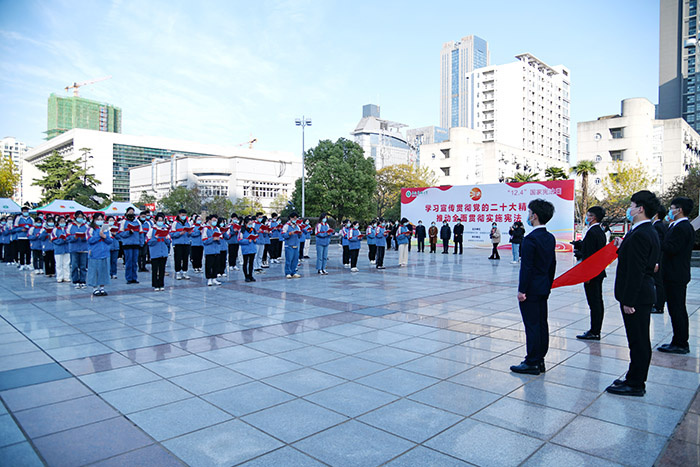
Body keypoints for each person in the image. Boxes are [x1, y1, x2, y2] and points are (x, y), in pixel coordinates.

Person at [606, 190, 661, 397]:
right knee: (636, 340)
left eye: (631, 206)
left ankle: (636, 383)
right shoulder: (643, 231)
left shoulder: (642, 233)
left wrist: (629, 300)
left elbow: (637, 270)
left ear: (640, 209)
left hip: (637, 297)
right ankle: (632, 377)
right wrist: (623, 246)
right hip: (640, 294)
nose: (629, 209)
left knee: (638, 341)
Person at [510, 199, 556, 375]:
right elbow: (552, 265)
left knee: (532, 325)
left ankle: (532, 361)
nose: (528, 216)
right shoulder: (550, 238)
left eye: (529, 213)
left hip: (531, 290)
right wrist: (548, 285)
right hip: (543, 287)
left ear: (534, 216)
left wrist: (522, 290)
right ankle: (540, 359)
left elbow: (527, 267)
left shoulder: (530, 239)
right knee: (542, 323)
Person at [658, 196, 695, 354]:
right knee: (675, 308)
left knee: (677, 308)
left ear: (679, 210)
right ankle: (677, 340)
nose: (670, 211)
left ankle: (681, 343)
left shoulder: (682, 227)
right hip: (674, 273)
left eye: (672, 208)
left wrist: (658, 240)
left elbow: (672, 248)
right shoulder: (679, 226)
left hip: (676, 274)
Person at [576, 206, 608, 341]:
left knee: (594, 302)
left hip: (593, 273)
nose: (586, 218)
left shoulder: (593, 232)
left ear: (593, 217)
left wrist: (587, 275)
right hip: (597, 272)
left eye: (588, 215)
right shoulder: (599, 231)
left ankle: (595, 331)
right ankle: (595, 329)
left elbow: (590, 256)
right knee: (597, 301)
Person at [87, 213, 112, 296]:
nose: (100, 221)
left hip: (105, 253)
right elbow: (90, 240)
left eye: (101, 219)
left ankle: (102, 287)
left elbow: (110, 241)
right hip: (94, 253)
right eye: (98, 219)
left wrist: (104, 236)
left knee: (104, 271)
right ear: (94, 220)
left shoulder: (106, 229)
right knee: (94, 271)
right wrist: (99, 236)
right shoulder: (90, 229)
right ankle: (95, 288)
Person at [146, 213, 170, 291]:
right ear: (155, 221)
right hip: (155, 253)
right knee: (155, 269)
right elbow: (148, 242)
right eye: (159, 220)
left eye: (162, 220)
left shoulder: (165, 229)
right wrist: (155, 238)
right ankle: (155, 284)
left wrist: (166, 238)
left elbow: (169, 242)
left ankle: (161, 284)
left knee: (162, 269)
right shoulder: (152, 230)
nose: (160, 222)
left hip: (163, 253)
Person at [651, 206, 668, 314]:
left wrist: (656, 261)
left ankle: (659, 306)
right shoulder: (660, 225)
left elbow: (658, 245)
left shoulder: (657, 226)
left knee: (658, 283)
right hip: (659, 259)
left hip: (658, 259)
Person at [119, 207, 141, 284]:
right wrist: (128, 232)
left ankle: (134, 277)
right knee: (128, 262)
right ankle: (129, 278)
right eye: (130, 212)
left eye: (132, 212)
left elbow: (141, 233)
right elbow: (121, 234)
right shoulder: (123, 222)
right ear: (126, 213)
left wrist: (141, 242)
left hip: (136, 244)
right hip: (127, 244)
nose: (131, 214)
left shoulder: (137, 222)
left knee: (134, 262)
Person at [68, 211, 89, 289]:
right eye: (78, 217)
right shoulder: (70, 226)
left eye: (81, 217)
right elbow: (68, 238)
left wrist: (84, 238)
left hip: (84, 249)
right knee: (74, 266)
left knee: (83, 266)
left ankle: (83, 281)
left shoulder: (86, 226)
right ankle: (75, 281)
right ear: (75, 217)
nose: (80, 218)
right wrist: (74, 238)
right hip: (74, 249)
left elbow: (89, 236)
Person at [170, 209, 192, 280]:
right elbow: (171, 234)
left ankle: (185, 272)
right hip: (178, 243)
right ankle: (178, 272)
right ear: (179, 215)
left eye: (185, 215)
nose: (184, 216)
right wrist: (179, 233)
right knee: (178, 258)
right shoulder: (175, 223)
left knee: (186, 258)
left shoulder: (188, 223)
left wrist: (189, 233)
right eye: (182, 215)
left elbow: (189, 235)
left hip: (186, 243)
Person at [202, 215, 223, 286]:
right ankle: (209, 279)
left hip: (217, 250)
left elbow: (221, 238)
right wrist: (212, 239)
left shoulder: (217, 229)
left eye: (216, 220)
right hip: (209, 250)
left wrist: (218, 239)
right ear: (209, 221)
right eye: (213, 220)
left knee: (216, 265)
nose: (215, 222)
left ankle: (214, 278)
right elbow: (204, 240)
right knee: (209, 265)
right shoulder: (205, 229)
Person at [282, 212, 302, 278]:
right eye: (294, 218)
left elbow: (299, 236)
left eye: (296, 219)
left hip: (296, 244)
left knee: (295, 260)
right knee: (289, 260)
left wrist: (300, 234)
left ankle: (294, 272)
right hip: (289, 245)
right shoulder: (286, 226)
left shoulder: (297, 226)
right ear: (290, 218)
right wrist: (290, 233)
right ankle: (288, 272)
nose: (295, 220)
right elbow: (283, 235)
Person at [51, 216, 71, 283]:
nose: (62, 223)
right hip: (58, 249)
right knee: (58, 264)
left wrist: (66, 239)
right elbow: (54, 239)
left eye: (64, 221)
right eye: (61, 221)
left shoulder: (67, 229)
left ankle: (66, 277)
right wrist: (62, 240)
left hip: (67, 249)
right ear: (58, 222)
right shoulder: (55, 230)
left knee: (66, 264)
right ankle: (59, 277)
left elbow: (70, 237)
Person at [239, 216, 258, 282]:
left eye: (251, 224)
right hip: (246, 249)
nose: (250, 225)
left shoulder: (253, 230)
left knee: (251, 263)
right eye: (249, 224)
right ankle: (246, 276)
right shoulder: (242, 230)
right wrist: (247, 241)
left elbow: (257, 237)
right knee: (245, 262)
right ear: (245, 223)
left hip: (252, 248)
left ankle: (250, 275)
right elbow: (239, 240)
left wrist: (255, 240)